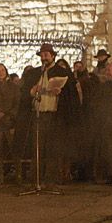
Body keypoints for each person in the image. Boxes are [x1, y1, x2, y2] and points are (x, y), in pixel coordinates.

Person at [19, 44, 76, 185]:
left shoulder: (62, 72)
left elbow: (71, 95)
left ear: (52, 56)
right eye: (42, 55)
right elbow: (25, 94)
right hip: (38, 114)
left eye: (47, 55)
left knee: (53, 148)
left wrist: (60, 93)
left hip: (55, 115)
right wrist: (32, 92)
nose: (44, 58)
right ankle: (36, 178)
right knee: (37, 147)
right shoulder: (34, 74)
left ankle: (52, 179)